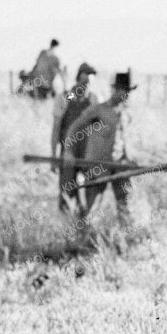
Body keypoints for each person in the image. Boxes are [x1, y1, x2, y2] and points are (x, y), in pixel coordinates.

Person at [57, 70, 135, 221]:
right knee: (91, 207)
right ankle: (84, 236)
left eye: (128, 92)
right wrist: (68, 151)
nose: (126, 96)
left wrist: (129, 159)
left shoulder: (126, 114)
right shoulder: (98, 110)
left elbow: (125, 140)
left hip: (119, 165)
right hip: (96, 166)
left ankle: (126, 237)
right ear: (116, 90)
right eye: (124, 91)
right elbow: (74, 128)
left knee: (124, 204)